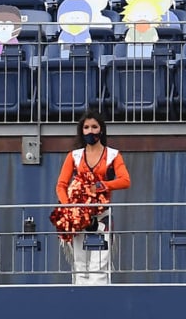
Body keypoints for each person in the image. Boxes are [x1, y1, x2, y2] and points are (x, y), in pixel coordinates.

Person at [54, 112, 130, 285]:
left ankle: (100, 299)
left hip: (102, 215)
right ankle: (80, 299)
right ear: (81, 131)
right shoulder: (74, 156)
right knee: (80, 262)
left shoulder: (113, 155)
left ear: (101, 130)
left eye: (94, 127)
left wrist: (102, 186)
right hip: (78, 216)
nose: (90, 131)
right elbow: (61, 185)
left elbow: (125, 180)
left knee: (101, 262)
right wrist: (69, 208)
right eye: (86, 127)